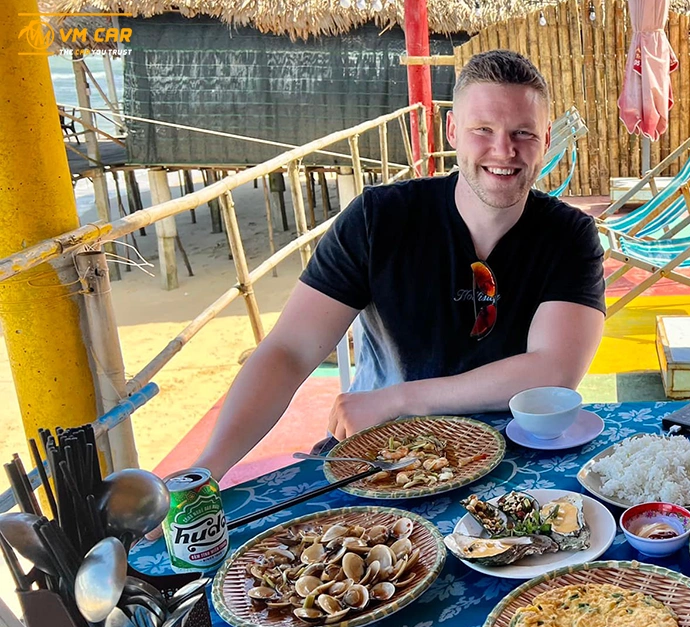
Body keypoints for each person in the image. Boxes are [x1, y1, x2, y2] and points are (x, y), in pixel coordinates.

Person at [194, 50, 607, 482]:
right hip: (380, 454)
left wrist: (399, 399)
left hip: (511, 458)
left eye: (523, 133)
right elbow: (290, 350)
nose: (504, 150)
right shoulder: (379, 219)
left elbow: (552, 370)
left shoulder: (569, 234)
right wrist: (210, 464)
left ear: (545, 138)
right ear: (452, 131)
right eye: (483, 129)